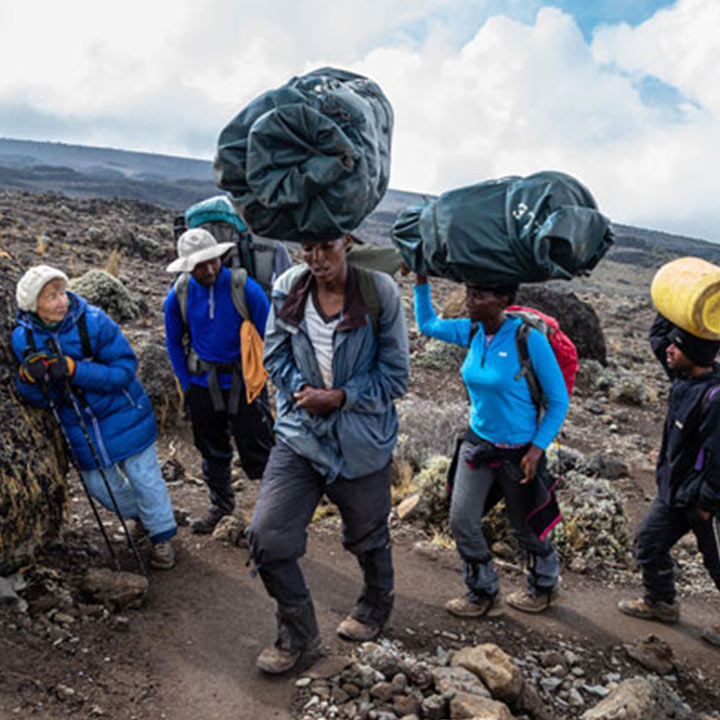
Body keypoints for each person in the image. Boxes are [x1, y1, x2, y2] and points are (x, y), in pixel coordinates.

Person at [247, 235, 409, 674]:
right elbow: (274, 356)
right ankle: (298, 636)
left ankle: (375, 605)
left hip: (360, 440)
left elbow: (395, 377)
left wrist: (339, 397)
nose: (315, 258)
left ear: (348, 243)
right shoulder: (288, 288)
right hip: (301, 436)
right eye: (307, 248)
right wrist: (301, 390)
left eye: (326, 247)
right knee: (267, 536)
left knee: (368, 534)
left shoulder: (378, 292)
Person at [413, 275, 569, 617]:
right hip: (478, 444)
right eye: (469, 291)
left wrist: (537, 448)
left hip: (520, 452)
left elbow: (558, 401)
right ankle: (483, 593)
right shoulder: (471, 331)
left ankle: (544, 585)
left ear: (502, 300)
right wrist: (421, 280)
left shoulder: (529, 341)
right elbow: (426, 324)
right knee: (462, 519)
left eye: (479, 294)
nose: (469, 300)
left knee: (524, 526)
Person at [12, 265, 178, 570]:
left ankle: (162, 536)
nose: (61, 301)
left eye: (61, 292)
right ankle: (145, 517)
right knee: (102, 489)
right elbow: (41, 400)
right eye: (51, 297)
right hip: (81, 429)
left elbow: (124, 371)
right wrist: (28, 378)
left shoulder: (94, 322)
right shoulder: (25, 341)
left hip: (125, 415)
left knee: (145, 479)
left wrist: (75, 370)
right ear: (33, 305)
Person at [618, 314, 720, 646]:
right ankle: (661, 602)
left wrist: (707, 503)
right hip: (675, 490)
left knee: (717, 564)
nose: (669, 350)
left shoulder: (714, 398)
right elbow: (658, 338)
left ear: (697, 354)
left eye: (679, 345)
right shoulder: (682, 374)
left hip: (706, 498)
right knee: (649, 542)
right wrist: (676, 306)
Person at [164, 228, 274, 534]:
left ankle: (272, 515)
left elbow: (270, 335)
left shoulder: (244, 287)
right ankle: (221, 506)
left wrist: (264, 376)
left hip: (246, 383)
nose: (209, 269)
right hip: (202, 384)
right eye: (199, 265)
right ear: (187, 266)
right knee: (212, 449)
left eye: (212, 261)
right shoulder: (179, 294)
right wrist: (186, 384)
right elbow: (173, 342)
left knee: (259, 450)